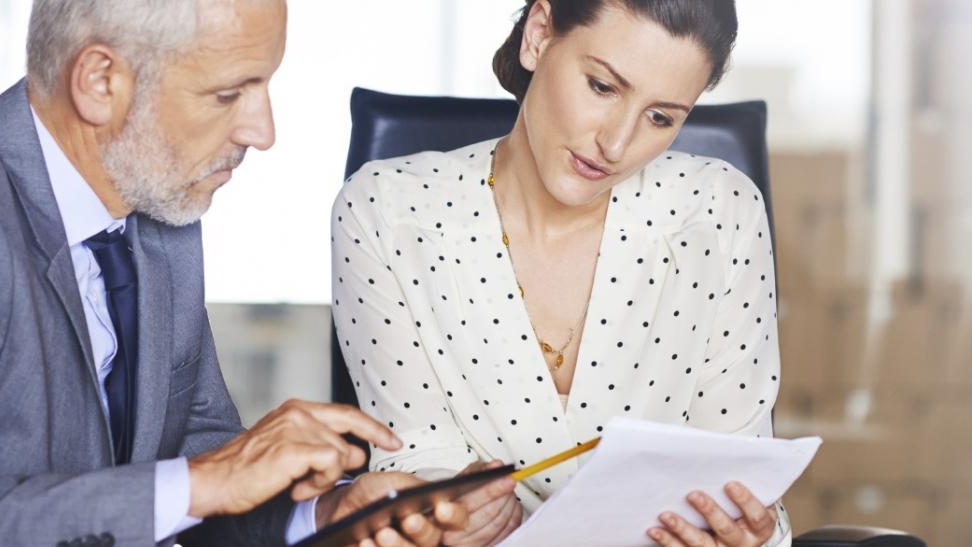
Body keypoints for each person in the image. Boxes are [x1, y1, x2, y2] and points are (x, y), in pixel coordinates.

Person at [0, 1, 471, 545]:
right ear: (99, 81)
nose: (264, 130)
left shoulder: (157, 215)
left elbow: (200, 475)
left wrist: (324, 514)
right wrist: (205, 479)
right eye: (229, 94)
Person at [331, 1, 791, 545]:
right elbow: (413, 460)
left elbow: (735, 469)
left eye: (661, 117)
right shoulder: (387, 211)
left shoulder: (719, 212)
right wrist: (448, 509)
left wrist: (748, 533)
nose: (616, 145)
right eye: (602, 87)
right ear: (539, 35)